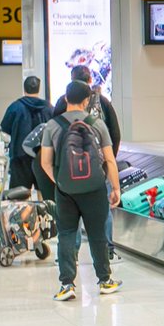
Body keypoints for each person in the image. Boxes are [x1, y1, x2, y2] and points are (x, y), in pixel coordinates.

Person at [40, 81, 122, 301]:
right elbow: (110, 160)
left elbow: (45, 162)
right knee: (97, 234)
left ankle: (67, 284)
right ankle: (105, 280)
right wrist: (115, 188)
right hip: (94, 189)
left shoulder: (52, 125)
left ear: (66, 98)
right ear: (87, 101)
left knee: (66, 234)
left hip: (65, 190)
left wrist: (60, 181)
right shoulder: (96, 124)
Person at [54, 66, 122, 262]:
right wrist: (108, 163)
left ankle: (71, 253)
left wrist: (58, 169)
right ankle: (107, 251)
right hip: (97, 166)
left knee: (69, 214)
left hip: (68, 168)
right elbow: (115, 133)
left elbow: (54, 133)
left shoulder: (62, 102)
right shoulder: (103, 101)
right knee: (103, 210)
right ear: (91, 79)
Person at [0, 76, 51, 191]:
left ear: (24, 89)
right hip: (43, 157)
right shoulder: (48, 108)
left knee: (19, 197)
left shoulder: (15, 107)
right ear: (39, 89)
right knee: (44, 194)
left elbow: (5, 131)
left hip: (19, 158)